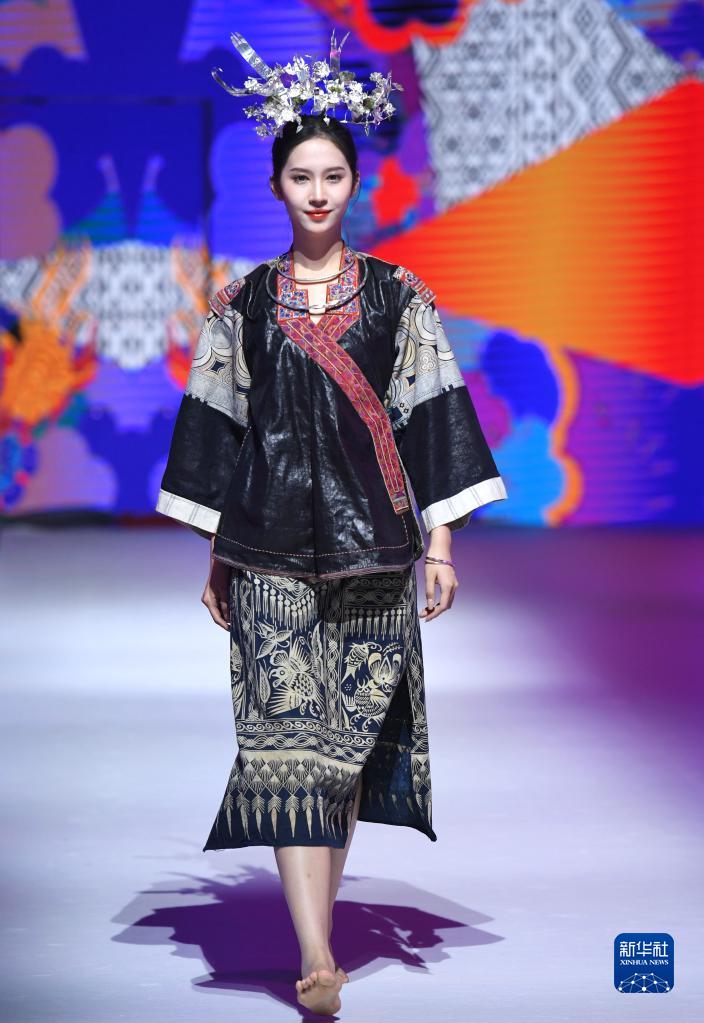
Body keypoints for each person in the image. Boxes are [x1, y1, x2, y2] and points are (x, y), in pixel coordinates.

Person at [156, 32, 508, 1016]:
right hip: (266, 551)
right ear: (276, 185)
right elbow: (216, 428)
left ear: (354, 183)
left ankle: (319, 928)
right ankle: (315, 952)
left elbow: (434, 413)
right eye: (300, 176)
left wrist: (442, 545)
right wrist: (217, 556)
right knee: (281, 749)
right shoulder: (241, 305)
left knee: (339, 753)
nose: (317, 192)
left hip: (376, 553)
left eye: (333, 175)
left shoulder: (398, 296)